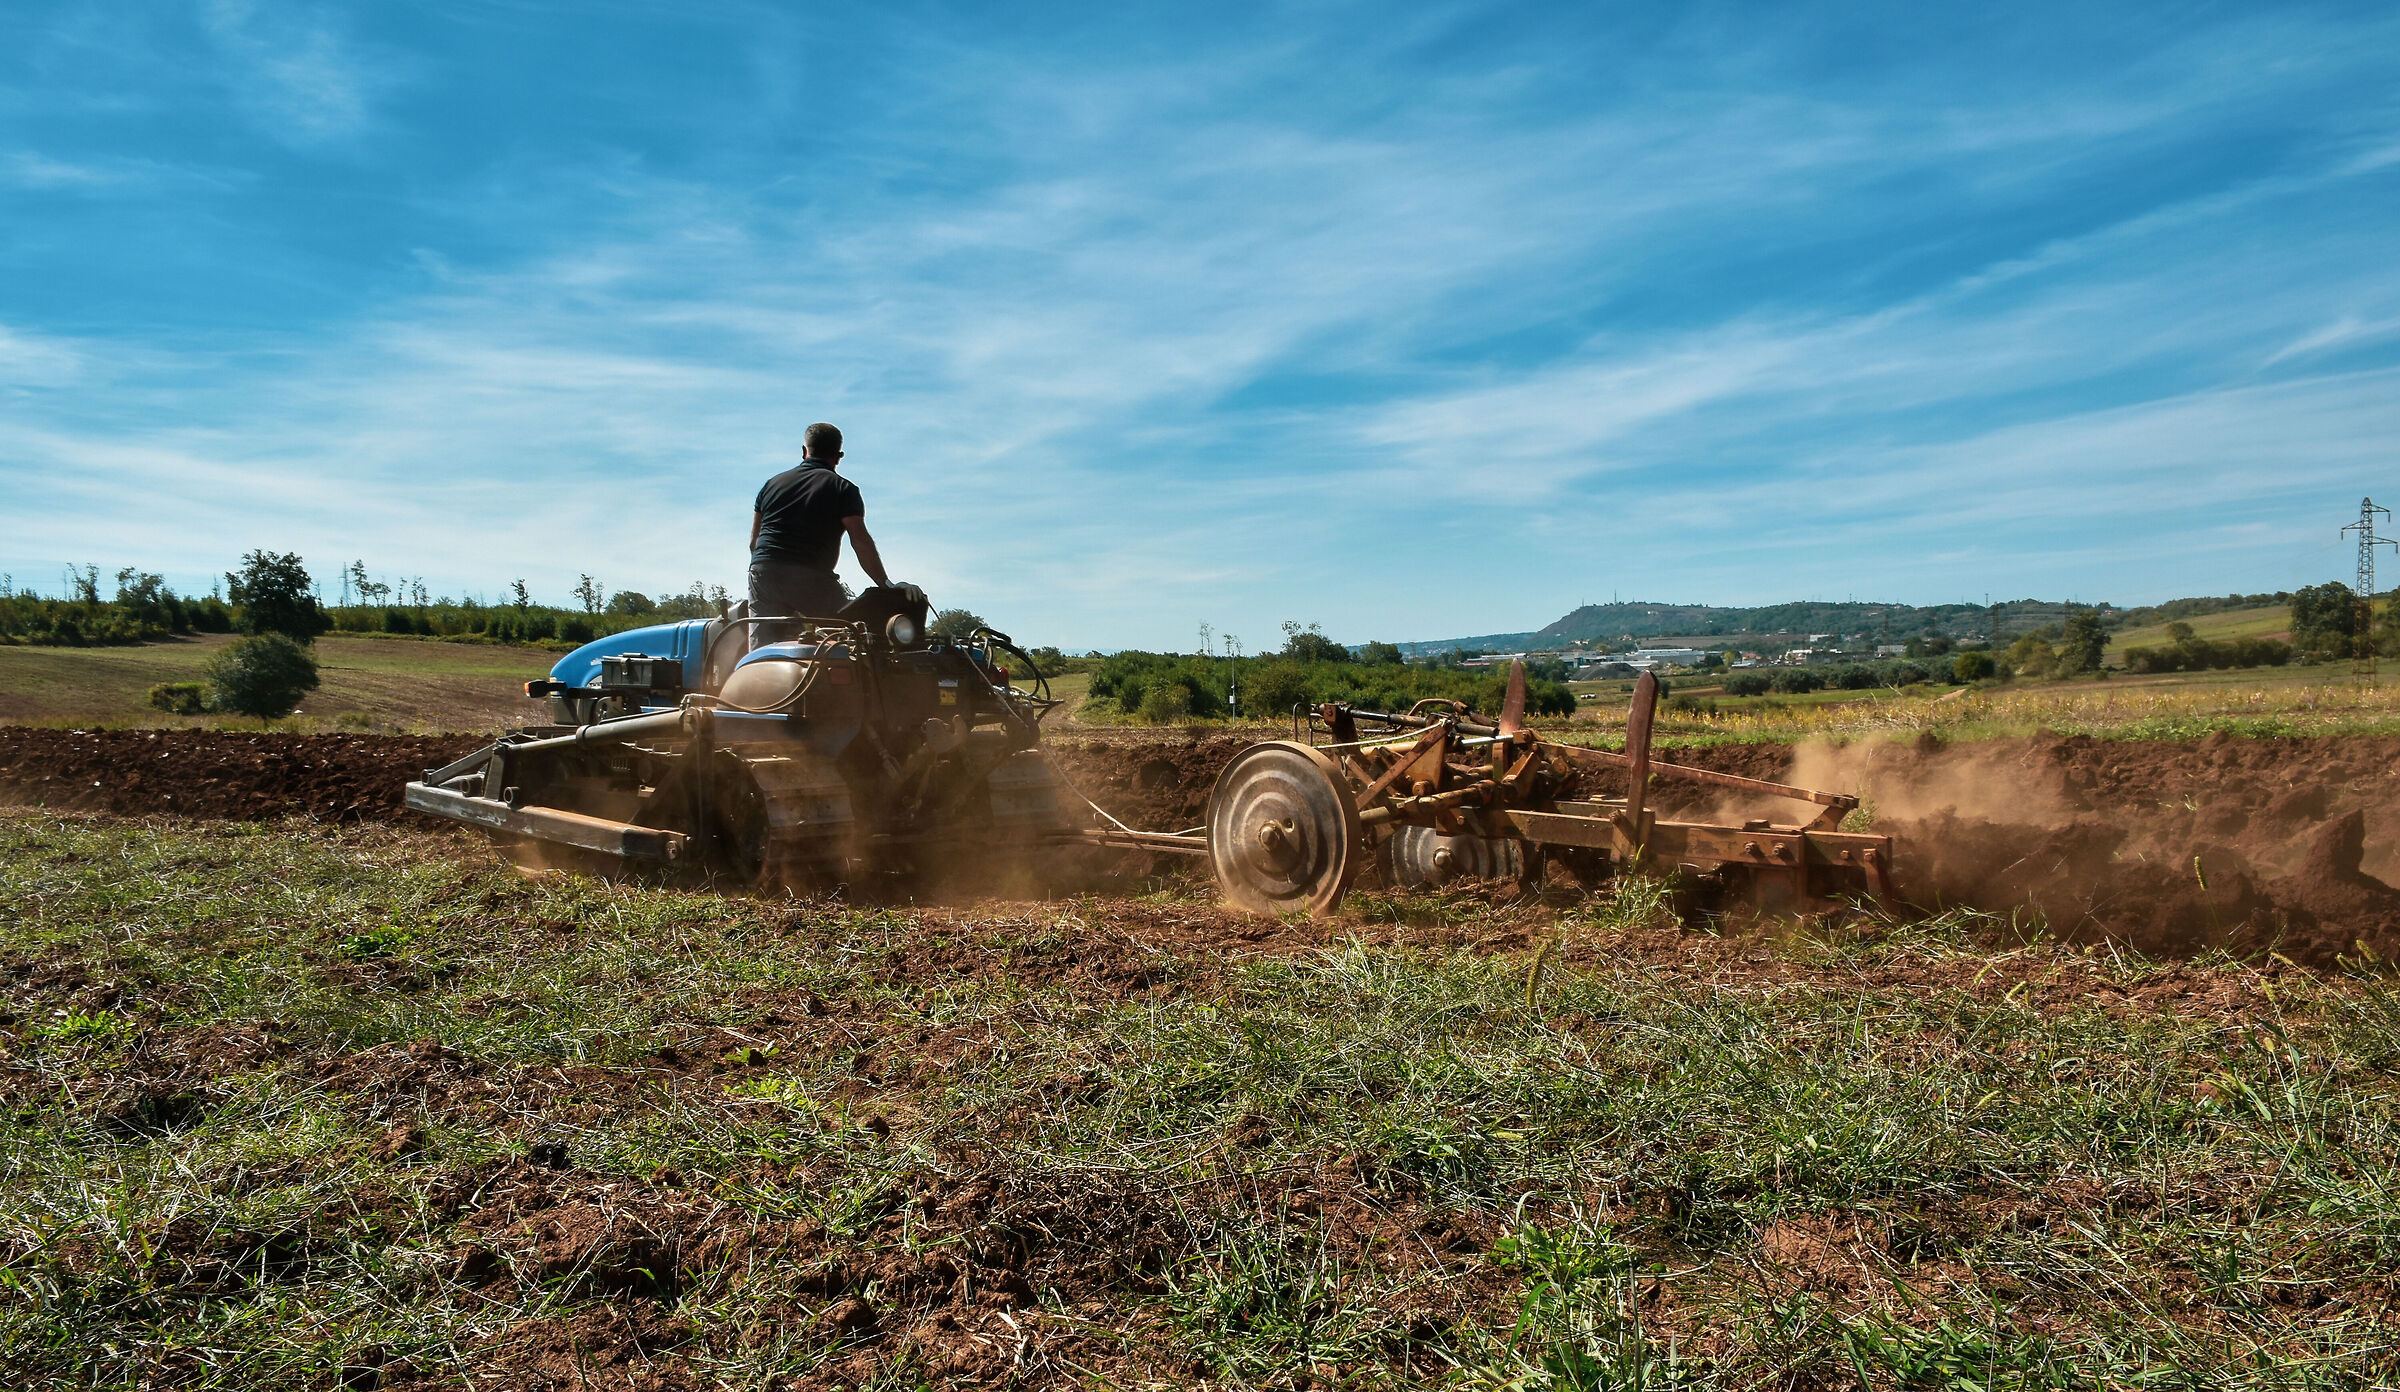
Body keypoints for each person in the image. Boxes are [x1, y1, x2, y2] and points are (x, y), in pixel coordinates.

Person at [747, 422, 891, 648]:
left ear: (804, 451)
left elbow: (754, 542)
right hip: (811, 577)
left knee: (763, 649)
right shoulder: (843, 488)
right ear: (838, 456)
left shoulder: (770, 485)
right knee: (848, 639)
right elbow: (860, 541)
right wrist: (884, 584)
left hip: (763, 572)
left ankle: (753, 678)